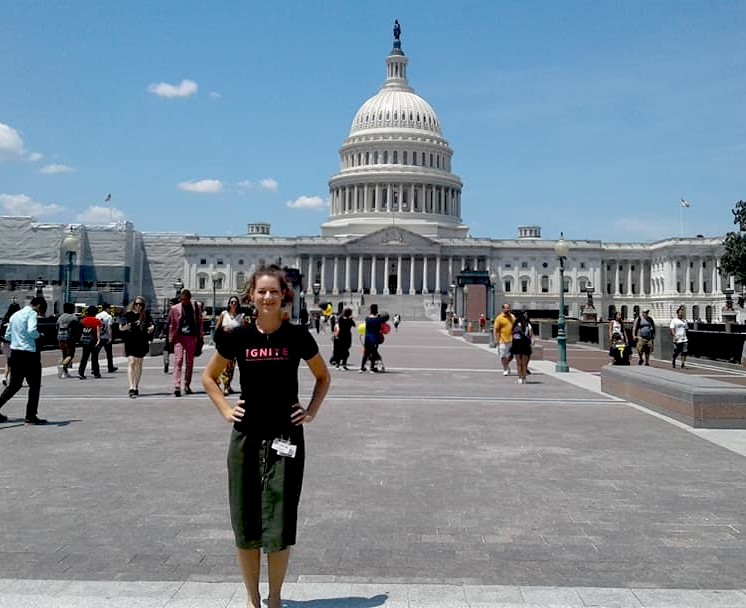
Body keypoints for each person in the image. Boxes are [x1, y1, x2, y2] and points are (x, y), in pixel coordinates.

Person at [201, 265, 330, 608]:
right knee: (245, 520)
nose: (268, 297)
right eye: (262, 292)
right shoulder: (238, 337)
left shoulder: (298, 336)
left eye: (274, 292)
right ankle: (251, 598)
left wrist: (312, 411)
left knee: (279, 521)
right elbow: (209, 377)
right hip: (246, 436)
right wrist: (226, 410)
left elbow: (323, 377)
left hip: (286, 436)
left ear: (284, 295)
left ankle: (274, 598)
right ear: (251, 296)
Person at [0, 296, 47, 424]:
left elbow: (8, 335)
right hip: (29, 353)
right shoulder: (31, 313)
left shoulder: (14, 315)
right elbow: (32, 330)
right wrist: (39, 335)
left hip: (16, 353)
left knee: (14, 385)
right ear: (37, 305)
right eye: (41, 310)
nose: (39, 313)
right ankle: (30, 415)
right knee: (34, 385)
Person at [167, 289, 204, 397]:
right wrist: (170, 339)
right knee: (178, 360)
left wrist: (200, 336)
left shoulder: (196, 307)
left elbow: (200, 322)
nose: (184, 301)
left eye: (186, 299)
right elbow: (172, 324)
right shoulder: (175, 308)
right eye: (183, 299)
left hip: (191, 337)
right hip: (179, 337)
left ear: (190, 298)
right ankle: (177, 386)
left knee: (189, 362)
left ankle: (187, 384)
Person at [120, 296, 155, 398]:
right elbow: (121, 327)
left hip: (142, 341)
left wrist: (151, 328)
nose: (138, 306)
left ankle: (136, 386)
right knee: (131, 362)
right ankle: (131, 387)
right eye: (137, 304)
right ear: (133, 304)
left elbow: (151, 325)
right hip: (130, 341)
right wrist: (125, 327)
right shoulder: (127, 315)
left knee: (139, 363)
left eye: (141, 304)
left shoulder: (145, 315)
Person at [215, 296, 245, 396]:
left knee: (231, 366)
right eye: (231, 302)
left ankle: (227, 384)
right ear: (229, 304)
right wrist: (223, 329)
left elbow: (244, 329)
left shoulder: (241, 316)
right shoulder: (224, 314)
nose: (233, 304)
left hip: (235, 344)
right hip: (224, 343)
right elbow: (217, 327)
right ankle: (225, 386)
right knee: (224, 366)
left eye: (235, 302)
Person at [77, 305, 102, 379]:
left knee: (84, 357)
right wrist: (98, 340)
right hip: (93, 341)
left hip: (85, 340)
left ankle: (81, 372)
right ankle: (96, 373)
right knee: (94, 358)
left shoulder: (83, 320)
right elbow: (98, 331)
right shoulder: (97, 321)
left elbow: (80, 330)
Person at [359, 303, 386, 373]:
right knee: (374, 353)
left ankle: (362, 367)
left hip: (367, 337)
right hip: (374, 338)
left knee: (366, 353)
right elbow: (379, 328)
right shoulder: (377, 319)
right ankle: (372, 367)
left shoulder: (367, 318)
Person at [509, 311, 533, 384]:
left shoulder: (519, 324)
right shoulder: (525, 324)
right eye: (525, 314)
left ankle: (521, 377)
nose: (526, 316)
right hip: (522, 344)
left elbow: (512, 333)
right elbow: (530, 334)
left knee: (521, 362)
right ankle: (522, 377)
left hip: (519, 344)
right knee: (522, 362)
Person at [1, 302, 21, 386]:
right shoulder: (16, 319)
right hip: (14, 342)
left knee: (9, 361)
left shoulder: (5, 319)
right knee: (16, 361)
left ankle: (5, 377)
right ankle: (13, 378)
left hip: (4, 343)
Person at [493, 303, 516, 376]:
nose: (507, 309)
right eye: (506, 308)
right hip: (502, 340)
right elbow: (495, 330)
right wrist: (495, 339)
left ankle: (506, 365)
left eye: (508, 308)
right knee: (503, 356)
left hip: (512, 339)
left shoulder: (512, 317)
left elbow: (516, 326)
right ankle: (505, 369)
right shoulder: (499, 318)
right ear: (503, 309)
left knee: (512, 355)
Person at [95, 302, 118, 373]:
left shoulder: (97, 316)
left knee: (95, 353)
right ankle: (110, 367)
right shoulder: (109, 316)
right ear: (107, 308)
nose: (110, 310)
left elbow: (96, 327)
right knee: (109, 353)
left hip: (98, 337)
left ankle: (94, 368)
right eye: (109, 308)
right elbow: (109, 328)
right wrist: (110, 337)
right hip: (106, 337)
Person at [670, 305, 689, 369]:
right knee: (677, 351)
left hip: (684, 338)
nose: (681, 314)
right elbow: (672, 329)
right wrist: (674, 336)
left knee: (684, 352)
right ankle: (673, 360)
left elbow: (686, 329)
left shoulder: (685, 321)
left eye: (682, 313)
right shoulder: (674, 320)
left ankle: (683, 364)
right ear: (677, 313)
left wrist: (686, 335)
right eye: (680, 313)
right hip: (677, 338)